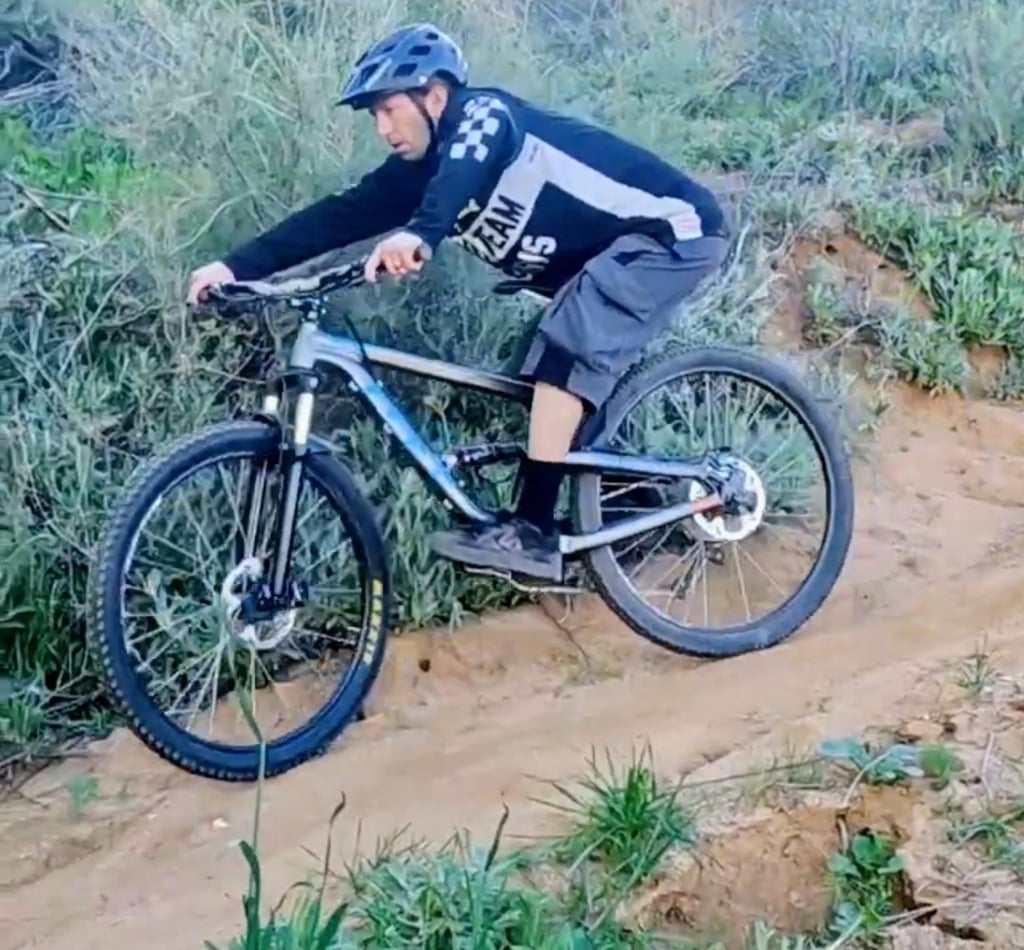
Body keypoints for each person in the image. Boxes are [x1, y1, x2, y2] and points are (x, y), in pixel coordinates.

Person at [187, 22, 730, 583]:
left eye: (391, 109)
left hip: (670, 233)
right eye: (374, 116)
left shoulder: (483, 115)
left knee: (564, 352)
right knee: (541, 370)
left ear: (436, 96)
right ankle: (631, 506)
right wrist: (235, 268)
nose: (383, 128)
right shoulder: (413, 175)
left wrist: (421, 234)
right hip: (600, 260)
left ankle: (533, 533)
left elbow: (466, 164)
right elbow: (335, 217)